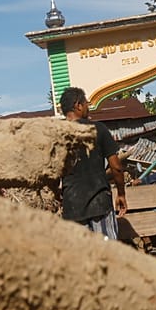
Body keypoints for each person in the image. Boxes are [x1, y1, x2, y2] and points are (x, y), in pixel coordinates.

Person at [58, 87, 128, 238]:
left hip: (72, 208)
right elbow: (116, 167)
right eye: (86, 104)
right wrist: (121, 194)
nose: (88, 108)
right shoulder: (98, 129)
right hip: (100, 205)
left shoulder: (57, 137)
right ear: (78, 105)